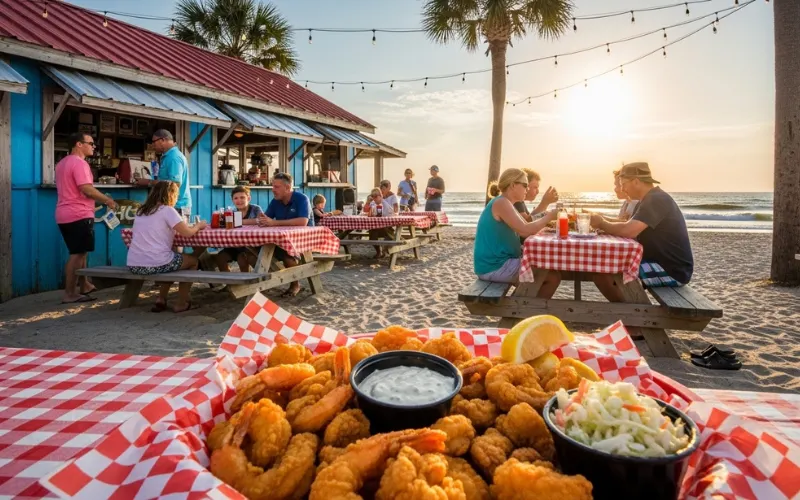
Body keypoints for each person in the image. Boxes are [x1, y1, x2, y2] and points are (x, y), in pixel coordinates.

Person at [590, 162, 694, 301]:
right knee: (602, 270)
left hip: (672, 270)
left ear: (636, 182)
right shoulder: (648, 199)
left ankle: (636, 312)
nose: (622, 188)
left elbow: (629, 231)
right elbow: (626, 224)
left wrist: (602, 223)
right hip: (659, 263)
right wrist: (601, 221)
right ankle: (632, 310)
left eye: (623, 183)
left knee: (606, 272)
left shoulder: (657, 200)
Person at [474, 168, 561, 297]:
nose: (527, 189)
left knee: (549, 273)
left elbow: (524, 228)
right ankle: (523, 311)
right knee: (552, 276)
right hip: (494, 266)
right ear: (513, 185)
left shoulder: (505, 202)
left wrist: (543, 226)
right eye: (525, 185)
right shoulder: (501, 203)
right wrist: (549, 217)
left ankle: (523, 308)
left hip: (495, 263)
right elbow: (524, 231)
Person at [126, 181, 207, 313]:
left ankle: (161, 298)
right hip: (156, 263)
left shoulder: (141, 211)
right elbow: (187, 233)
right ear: (171, 195)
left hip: (134, 264)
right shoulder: (167, 210)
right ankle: (181, 302)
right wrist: (199, 226)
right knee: (193, 262)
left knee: (173, 261)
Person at [55, 132, 117, 304]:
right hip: (78, 213)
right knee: (77, 254)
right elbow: (86, 189)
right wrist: (107, 200)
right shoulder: (79, 163)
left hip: (64, 213)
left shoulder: (62, 163)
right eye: (90, 143)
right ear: (78, 144)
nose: (94, 146)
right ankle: (69, 293)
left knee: (81, 252)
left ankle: (85, 285)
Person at [258, 172, 313, 296]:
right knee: (252, 253)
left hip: (303, 240)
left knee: (288, 256)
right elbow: (267, 219)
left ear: (287, 188)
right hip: (281, 239)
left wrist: (273, 223)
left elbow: (303, 221)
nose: (273, 190)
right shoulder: (275, 201)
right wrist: (263, 220)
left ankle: (295, 285)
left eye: (276, 187)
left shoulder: (301, 199)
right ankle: (264, 283)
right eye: (272, 186)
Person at [139, 130, 191, 218]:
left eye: (154, 142)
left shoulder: (173, 157)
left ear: (162, 140)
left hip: (177, 206)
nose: (152, 145)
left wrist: (149, 182)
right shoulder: (168, 156)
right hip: (171, 205)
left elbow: (175, 183)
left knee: (177, 232)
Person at [215, 186, 264, 273]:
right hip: (234, 244)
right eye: (236, 198)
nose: (239, 200)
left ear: (248, 198)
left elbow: (261, 221)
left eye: (242, 197)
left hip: (251, 245)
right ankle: (229, 283)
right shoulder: (231, 211)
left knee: (242, 257)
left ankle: (245, 282)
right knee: (220, 257)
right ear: (232, 200)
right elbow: (225, 225)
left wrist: (239, 222)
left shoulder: (255, 209)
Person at [365, 187, 397, 258]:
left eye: (376, 196)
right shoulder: (372, 203)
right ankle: (378, 251)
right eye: (372, 196)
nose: (374, 198)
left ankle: (384, 251)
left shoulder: (385, 204)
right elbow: (366, 212)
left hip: (386, 227)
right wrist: (367, 203)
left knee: (389, 236)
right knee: (372, 234)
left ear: (381, 196)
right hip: (375, 226)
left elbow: (392, 215)